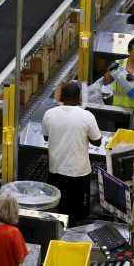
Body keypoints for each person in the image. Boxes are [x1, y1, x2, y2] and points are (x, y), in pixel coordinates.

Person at [42, 81, 102, 226]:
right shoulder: (87, 116)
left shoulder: (49, 114)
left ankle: (57, 235)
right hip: (78, 173)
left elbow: (46, 137)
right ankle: (73, 235)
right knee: (77, 214)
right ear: (80, 97)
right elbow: (97, 141)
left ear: (61, 96)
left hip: (55, 171)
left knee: (57, 209)